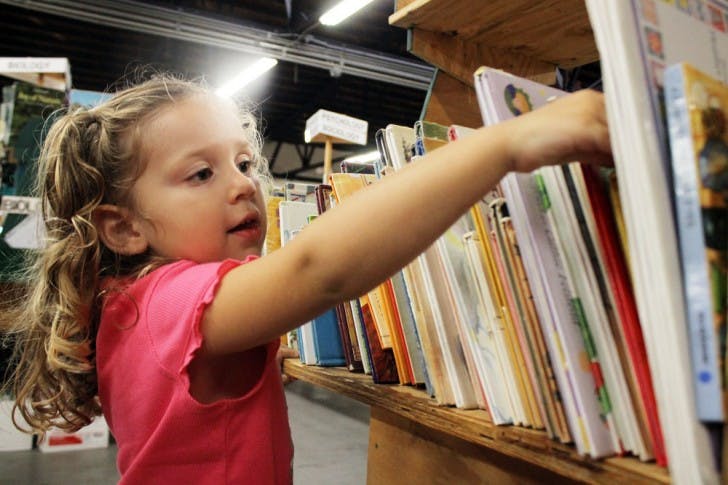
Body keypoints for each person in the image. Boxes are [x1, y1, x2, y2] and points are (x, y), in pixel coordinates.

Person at [1, 74, 611, 484]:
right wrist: (508, 144)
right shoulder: (171, 299)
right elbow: (317, 269)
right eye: (200, 175)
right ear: (125, 229)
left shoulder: (126, 303)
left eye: (243, 162)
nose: (243, 183)